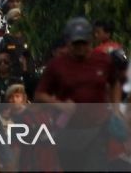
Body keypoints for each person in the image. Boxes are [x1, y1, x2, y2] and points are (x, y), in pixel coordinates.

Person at [35, 17, 120, 171]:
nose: (80, 47)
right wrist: (60, 105)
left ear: (91, 40)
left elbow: (115, 83)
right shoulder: (56, 65)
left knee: (96, 166)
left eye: (84, 43)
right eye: (76, 44)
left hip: (97, 129)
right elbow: (40, 95)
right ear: (68, 42)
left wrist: (116, 108)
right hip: (68, 131)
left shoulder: (103, 60)